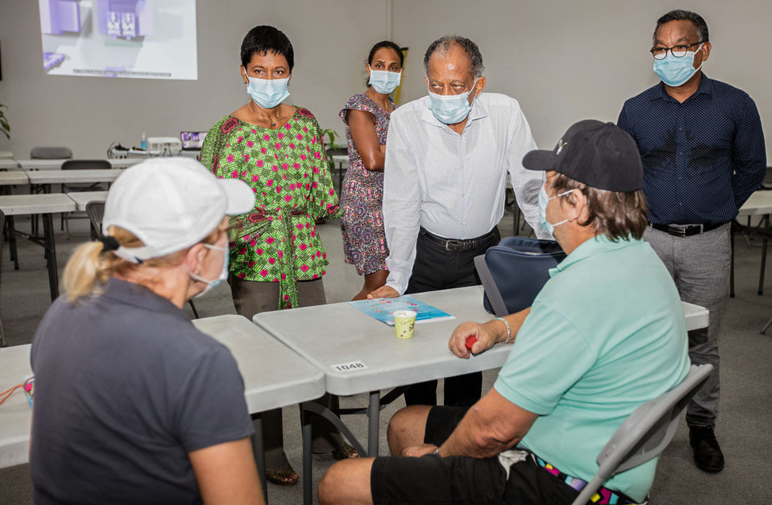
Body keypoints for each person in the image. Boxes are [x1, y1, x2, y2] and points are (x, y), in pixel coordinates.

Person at [319, 120, 691, 505]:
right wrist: (498, 328)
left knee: (339, 483)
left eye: (549, 185)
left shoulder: (579, 289)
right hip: (597, 455)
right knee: (406, 422)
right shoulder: (636, 260)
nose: (542, 198)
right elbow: (563, 317)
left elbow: (492, 431)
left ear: (577, 204)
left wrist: (437, 462)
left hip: (559, 480)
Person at [29, 158, 264, 504]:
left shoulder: (62, 311)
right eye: (226, 233)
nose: (231, 245)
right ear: (197, 256)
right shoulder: (199, 362)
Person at [200, 25, 352, 486]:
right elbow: (211, 207)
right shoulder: (225, 134)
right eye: (260, 70)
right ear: (244, 72)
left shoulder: (306, 123)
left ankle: (326, 435)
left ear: (290, 73)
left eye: (279, 70)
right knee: (263, 360)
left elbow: (325, 195)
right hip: (256, 257)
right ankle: (269, 450)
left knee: (317, 348)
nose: (270, 78)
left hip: (303, 252)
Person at [617, 10, 767, 473]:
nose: (668, 56)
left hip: (709, 242)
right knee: (646, 336)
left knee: (702, 342)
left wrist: (717, 208)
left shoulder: (734, 104)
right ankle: (643, 428)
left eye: (679, 47)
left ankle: (703, 428)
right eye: (660, 48)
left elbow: (753, 168)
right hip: (650, 240)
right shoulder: (636, 108)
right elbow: (623, 172)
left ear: (703, 49)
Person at [369, 35, 545, 408]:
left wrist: (554, 246)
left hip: (483, 257)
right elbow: (401, 202)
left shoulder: (505, 113)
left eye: (456, 86)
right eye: (436, 85)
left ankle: (457, 450)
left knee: (470, 353)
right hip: (428, 254)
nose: (444, 94)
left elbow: (531, 184)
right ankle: (418, 434)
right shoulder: (406, 121)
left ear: (478, 84)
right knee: (419, 360)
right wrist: (397, 276)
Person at [339, 41, 404, 300]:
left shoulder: (398, 113)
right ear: (368, 67)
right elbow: (372, 160)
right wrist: (402, 153)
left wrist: (386, 148)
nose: (386, 72)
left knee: (392, 279)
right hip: (365, 203)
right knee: (377, 283)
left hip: (393, 202)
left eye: (393, 67)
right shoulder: (359, 106)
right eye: (380, 65)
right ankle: (346, 327)